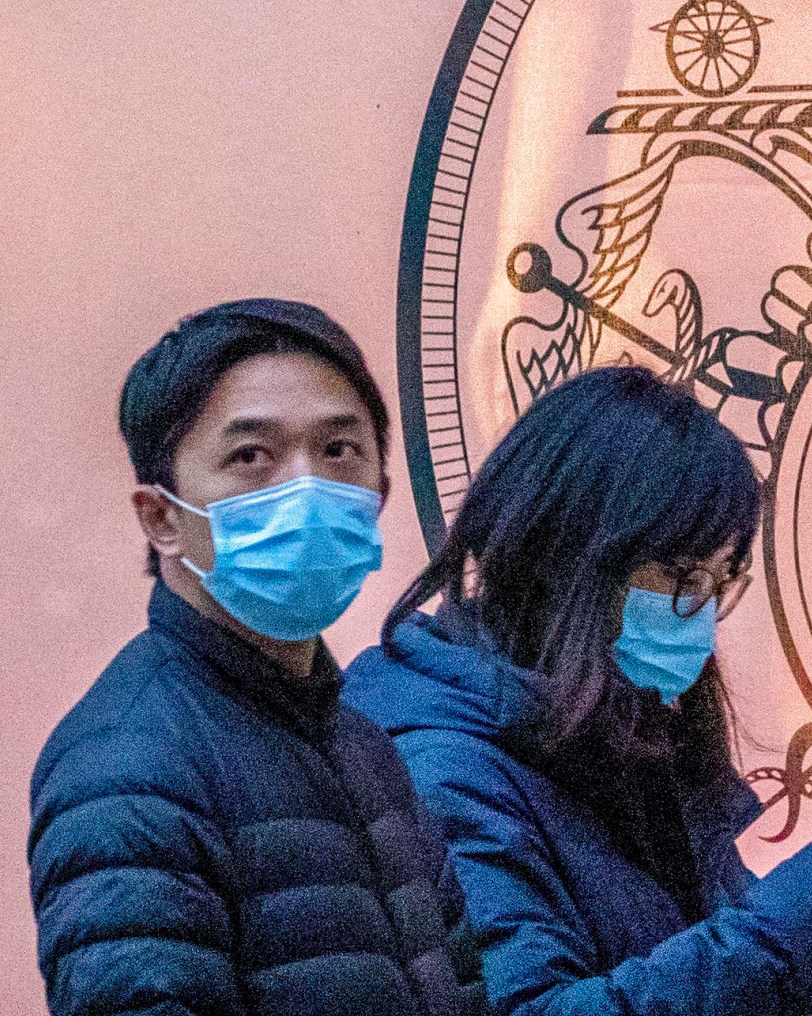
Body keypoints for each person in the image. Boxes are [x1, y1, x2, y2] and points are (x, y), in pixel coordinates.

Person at [343, 366, 812, 1016]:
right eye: (681, 577)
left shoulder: (628, 745)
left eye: (717, 582)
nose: (700, 616)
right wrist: (803, 926)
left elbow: (733, 987)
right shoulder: (443, 773)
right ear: (565, 556)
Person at [27, 299, 482, 1016]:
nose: (304, 488)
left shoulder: (364, 747)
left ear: (379, 493)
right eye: (250, 457)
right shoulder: (128, 770)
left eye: (338, 451)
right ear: (161, 517)